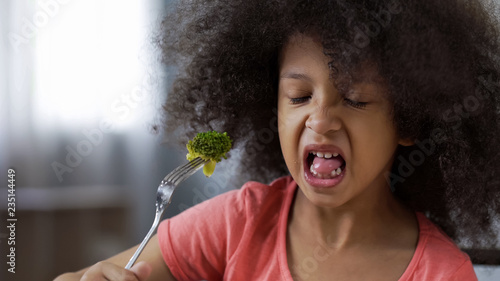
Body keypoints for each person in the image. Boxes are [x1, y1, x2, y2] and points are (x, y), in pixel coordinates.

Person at [55, 0, 500, 280]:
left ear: (409, 123)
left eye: (356, 99)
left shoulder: (442, 273)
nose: (320, 119)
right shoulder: (238, 224)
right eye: (299, 96)